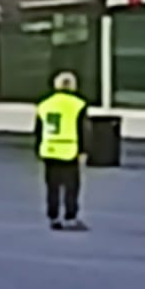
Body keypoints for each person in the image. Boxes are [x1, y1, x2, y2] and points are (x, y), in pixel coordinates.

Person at [36, 70, 88, 230]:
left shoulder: (44, 104)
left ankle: (53, 217)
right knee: (71, 186)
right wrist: (83, 150)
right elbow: (82, 129)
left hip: (50, 149)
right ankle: (70, 216)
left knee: (52, 186)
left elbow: (39, 129)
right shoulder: (78, 104)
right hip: (69, 149)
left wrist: (39, 147)